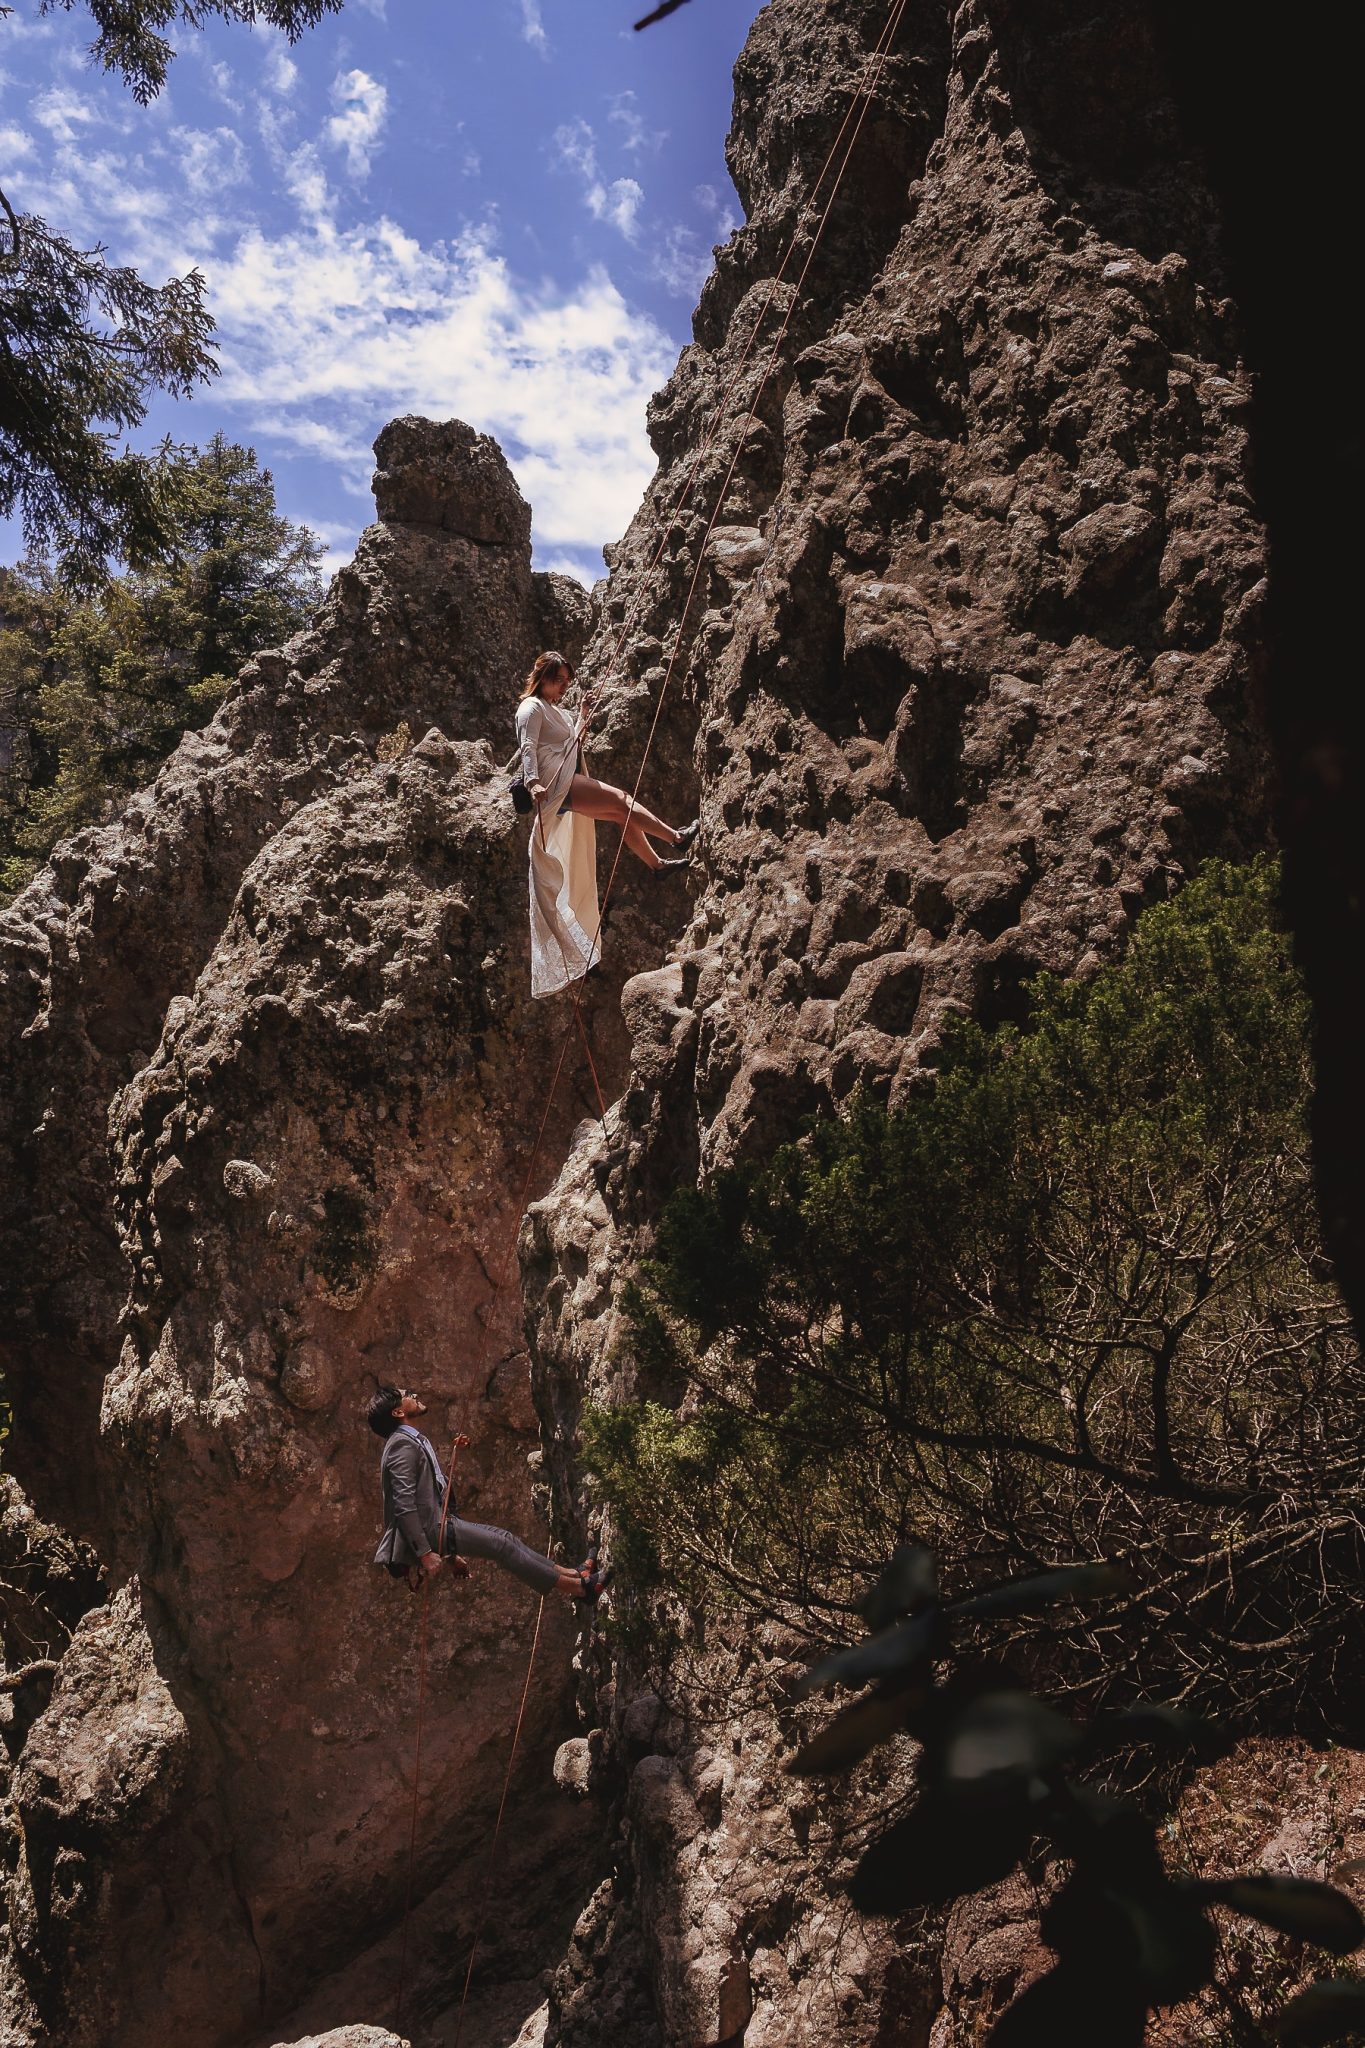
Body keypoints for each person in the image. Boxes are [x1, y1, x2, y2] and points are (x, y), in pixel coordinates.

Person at [514, 650, 697, 997]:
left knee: (617, 813)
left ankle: (656, 865)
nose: (563, 687)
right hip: (555, 783)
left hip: (564, 776)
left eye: (567, 681)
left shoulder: (555, 709)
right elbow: (528, 746)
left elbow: (570, 744)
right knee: (620, 801)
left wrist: (582, 716)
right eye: (559, 680)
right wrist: (532, 781)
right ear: (543, 676)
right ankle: (676, 837)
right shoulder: (531, 708)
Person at [369, 1385, 607, 1602]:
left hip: (437, 1526)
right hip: (430, 1530)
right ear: (398, 1413)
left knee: (506, 1539)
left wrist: (451, 1556)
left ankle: (576, 1575)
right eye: (406, 1396)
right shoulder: (401, 1445)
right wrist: (424, 1553)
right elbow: (404, 1504)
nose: (414, 1395)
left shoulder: (409, 1440)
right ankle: (580, 1589)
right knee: (501, 1545)